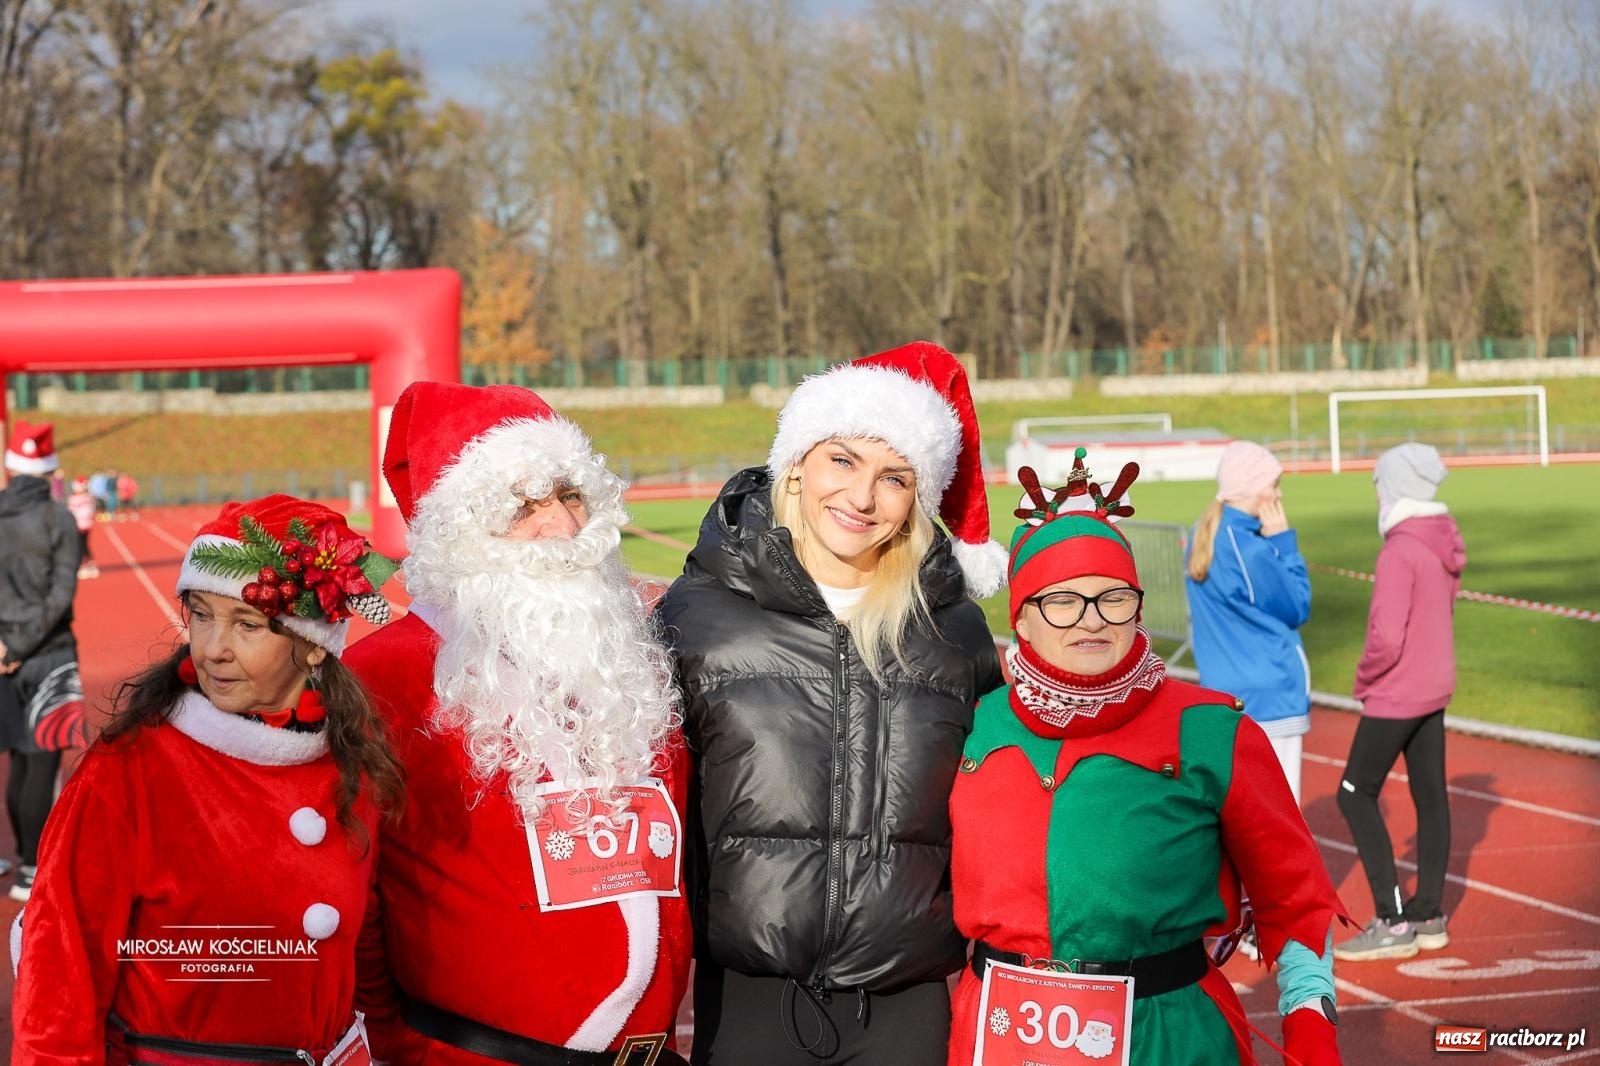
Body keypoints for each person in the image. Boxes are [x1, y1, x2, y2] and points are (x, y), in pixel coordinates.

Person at [658, 342, 1007, 1065]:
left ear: (919, 497)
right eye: (842, 460)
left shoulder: (953, 630)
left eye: (895, 477)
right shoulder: (697, 615)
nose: (861, 497)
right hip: (747, 999)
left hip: (906, 1004)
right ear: (797, 463)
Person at [948, 451, 1348, 1066]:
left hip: (1173, 1038)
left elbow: (1296, 901)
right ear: (1022, 619)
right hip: (998, 1036)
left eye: (1114, 598)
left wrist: (1311, 1031)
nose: (1092, 620)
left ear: (1138, 607)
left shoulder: (1213, 730)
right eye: (1062, 601)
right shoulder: (972, 725)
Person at [344, 381, 693, 1065]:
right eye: (523, 505)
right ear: (458, 533)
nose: (561, 525)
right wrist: (400, 1041)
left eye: (570, 496)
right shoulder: (380, 677)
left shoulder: (632, 657)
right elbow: (352, 895)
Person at [11, 493, 404, 1064]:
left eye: (247, 623)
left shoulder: (353, 763)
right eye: (200, 615)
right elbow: (59, 969)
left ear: (314, 647)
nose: (213, 649)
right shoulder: (129, 771)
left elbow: (362, 946)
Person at [1334, 443, 1464, 962]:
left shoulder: (1398, 551)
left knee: (1352, 792)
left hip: (1396, 692)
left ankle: (1392, 920)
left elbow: (1386, 637)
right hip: (1434, 685)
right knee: (1431, 796)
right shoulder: (1442, 541)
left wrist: (1365, 677)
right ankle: (1428, 914)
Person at [1185, 440, 1312, 803]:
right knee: (1280, 818)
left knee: (1237, 815)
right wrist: (1284, 545)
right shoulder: (1249, 548)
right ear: (1254, 489)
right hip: (1270, 695)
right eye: (1273, 484)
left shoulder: (1203, 534)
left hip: (1223, 690)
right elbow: (1297, 606)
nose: (1278, 493)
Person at [0, 422, 88, 899]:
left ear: (11, 465)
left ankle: (21, 863)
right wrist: (19, 647)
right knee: (41, 761)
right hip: (48, 654)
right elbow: (59, 598)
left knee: (17, 759)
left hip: (1, 658)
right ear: (50, 467)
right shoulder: (60, 520)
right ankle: (33, 869)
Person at [66, 477, 99, 580]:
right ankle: (87, 565)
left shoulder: (86, 497)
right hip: (78, 525)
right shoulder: (74, 498)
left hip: (83, 525)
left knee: (82, 546)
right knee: (82, 546)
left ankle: (86, 566)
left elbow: (87, 511)